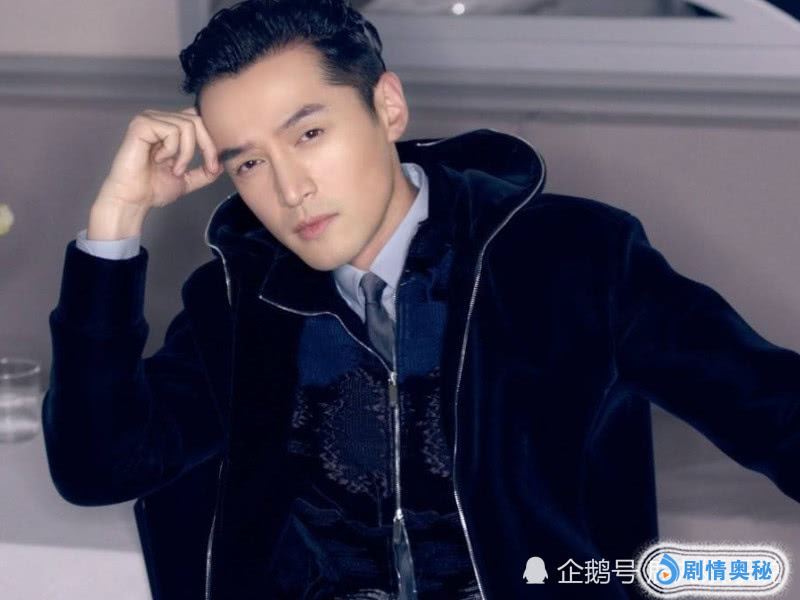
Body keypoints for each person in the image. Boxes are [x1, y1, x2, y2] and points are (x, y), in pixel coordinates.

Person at [42, 1, 800, 599]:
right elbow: (97, 468)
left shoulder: (573, 259)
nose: (289, 188)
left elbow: (772, 409)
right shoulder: (237, 303)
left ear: (388, 107)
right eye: (249, 163)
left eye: (309, 134)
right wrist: (116, 222)